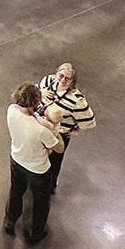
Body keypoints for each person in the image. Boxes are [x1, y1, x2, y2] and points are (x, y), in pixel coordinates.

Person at [3, 82, 63, 246]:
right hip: (37, 170)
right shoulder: (40, 129)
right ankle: (36, 233)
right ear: (36, 103)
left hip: (16, 159)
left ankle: (10, 221)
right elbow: (59, 148)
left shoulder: (11, 111)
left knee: (16, 191)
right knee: (40, 202)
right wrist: (54, 128)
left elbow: (21, 106)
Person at [37, 63, 96, 192]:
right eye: (61, 75)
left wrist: (76, 128)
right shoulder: (47, 82)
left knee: (54, 162)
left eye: (67, 78)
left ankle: (49, 185)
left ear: (72, 82)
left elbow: (88, 118)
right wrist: (40, 92)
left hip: (59, 135)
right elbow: (34, 93)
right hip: (40, 128)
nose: (63, 80)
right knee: (38, 157)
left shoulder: (77, 100)